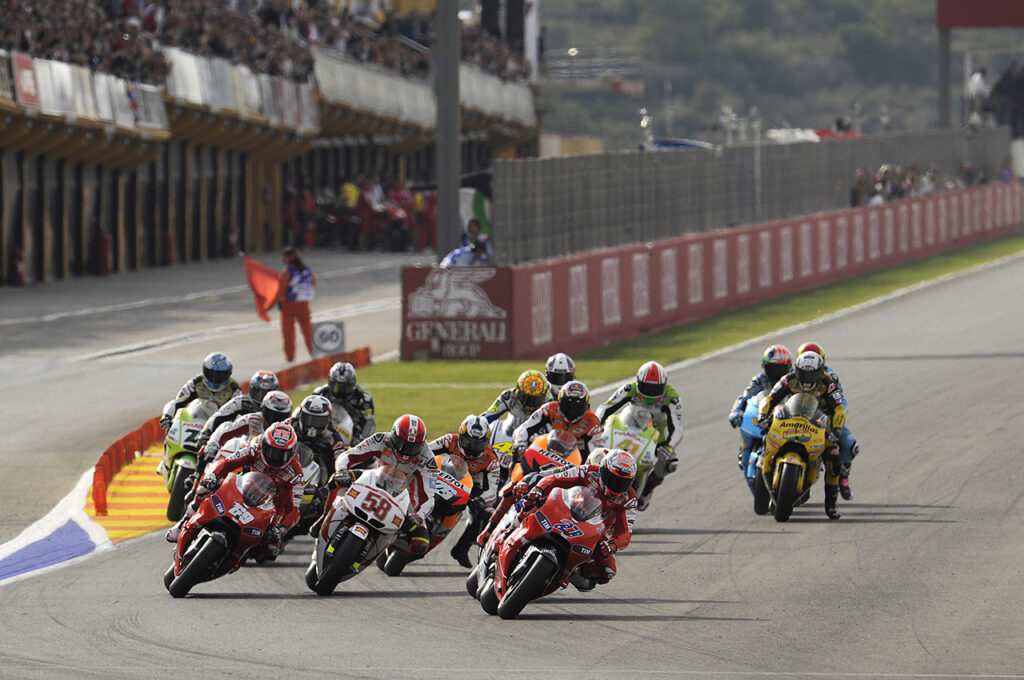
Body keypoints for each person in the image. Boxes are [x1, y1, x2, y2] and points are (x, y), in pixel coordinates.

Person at [483, 449, 637, 591]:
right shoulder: (588, 471)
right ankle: (508, 532)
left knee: (608, 571)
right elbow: (555, 478)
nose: (616, 486)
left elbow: (625, 533)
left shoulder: (629, 499)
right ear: (602, 470)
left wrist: (612, 545)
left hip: (595, 531)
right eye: (612, 479)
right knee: (531, 502)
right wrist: (538, 490)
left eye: (622, 483)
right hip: (566, 509)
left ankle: (570, 571)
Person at [166, 423, 306, 561]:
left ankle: (237, 556)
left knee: (270, 550)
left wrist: (282, 528)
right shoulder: (255, 449)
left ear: (292, 453)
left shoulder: (296, 474)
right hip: (246, 488)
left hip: (272, 508)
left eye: (282, 454)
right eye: (271, 451)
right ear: (263, 444)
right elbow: (227, 463)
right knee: (205, 488)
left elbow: (294, 510)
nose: (275, 458)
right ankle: (184, 522)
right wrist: (214, 475)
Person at [315, 415, 439, 556]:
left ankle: (387, 543)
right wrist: (342, 470)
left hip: (405, 499)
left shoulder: (428, 460)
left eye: (413, 447)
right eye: (401, 444)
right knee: (336, 480)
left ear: (422, 445)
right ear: (393, 436)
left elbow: (429, 496)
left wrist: (418, 516)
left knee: (421, 544)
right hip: (375, 479)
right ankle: (324, 517)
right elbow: (349, 455)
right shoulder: (381, 439)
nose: (405, 452)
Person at [757, 350, 847, 520]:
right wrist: (763, 416)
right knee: (766, 439)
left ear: (820, 371)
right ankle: (765, 467)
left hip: (818, 422)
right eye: (803, 373)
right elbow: (769, 399)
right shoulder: (788, 379)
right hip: (790, 417)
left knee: (834, 458)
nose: (807, 379)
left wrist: (836, 430)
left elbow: (839, 409)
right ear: (797, 370)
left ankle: (831, 504)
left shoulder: (828, 383)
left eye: (812, 375)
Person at [595, 361, 683, 511]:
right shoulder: (630, 388)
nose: (650, 393)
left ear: (664, 386)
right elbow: (605, 407)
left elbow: (677, 428)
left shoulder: (672, 398)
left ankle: (647, 489)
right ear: (638, 382)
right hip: (630, 423)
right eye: (647, 387)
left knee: (669, 461)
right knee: (594, 441)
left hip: (657, 431)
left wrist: (668, 447)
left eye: (655, 389)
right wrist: (596, 425)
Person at [428, 414, 500, 568]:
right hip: (446, 475)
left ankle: (461, 549)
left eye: (478, 444)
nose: (472, 449)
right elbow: (425, 451)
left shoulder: (491, 460)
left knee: (487, 514)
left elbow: (492, 491)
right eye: (469, 442)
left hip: (472, 489)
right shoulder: (449, 440)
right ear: (461, 436)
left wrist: (480, 500)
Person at [795, 342, 859, 502]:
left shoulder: (830, 377)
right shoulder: (792, 375)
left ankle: (843, 478)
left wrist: (836, 419)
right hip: (796, 415)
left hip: (823, 417)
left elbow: (840, 401)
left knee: (850, 445)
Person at [727, 345, 793, 480]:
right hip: (765, 415)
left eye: (779, 368)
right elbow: (745, 396)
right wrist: (736, 410)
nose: (776, 372)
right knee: (746, 426)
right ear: (765, 366)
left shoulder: (793, 378)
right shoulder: (759, 379)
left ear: (788, 366)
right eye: (771, 368)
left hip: (788, 418)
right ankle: (744, 451)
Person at [196, 390, 293, 478]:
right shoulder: (252, 419)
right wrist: (213, 444)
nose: (275, 420)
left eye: (281, 417)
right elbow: (228, 429)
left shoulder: (291, 432)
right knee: (209, 459)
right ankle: (197, 480)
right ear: (264, 410)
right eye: (272, 415)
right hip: (247, 464)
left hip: (276, 472)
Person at [513, 381, 603, 458]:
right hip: (544, 453)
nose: (572, 411)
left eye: (577, 407)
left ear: (586, 407)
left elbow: (594, 453)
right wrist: (520, 444)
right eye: (568, 405)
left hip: (573, 463)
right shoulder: (549, 408)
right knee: (515, 454)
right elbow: (524, 428)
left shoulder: (593, 423)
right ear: (559, 402)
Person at [196, 370, 279, 450]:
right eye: (259, 394)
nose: (262, 399)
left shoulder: (280, 409)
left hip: (266, 447)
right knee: (225, 425)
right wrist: (206, 433)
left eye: (266, 394)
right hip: (236, 443)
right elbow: (218, 416)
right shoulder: (240, 402)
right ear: (251, 390)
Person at [158, 352, 241, 430]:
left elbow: (239, 413)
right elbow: (177, 402)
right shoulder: (196, 383)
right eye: (211, 374)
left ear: (229, 374)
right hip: (195, 424)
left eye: (221, 376)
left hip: (219, 428)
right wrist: (166, 416)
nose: (215, 379)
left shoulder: (234, 388)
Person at [285, 394, 349, 480]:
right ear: (300, 415)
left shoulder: (332, 435)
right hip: (288, 461)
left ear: (328, 419)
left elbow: (340, 457)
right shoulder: (289, 425)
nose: (312, 425)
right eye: (308, 418)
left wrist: (340, 472)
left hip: (315, 465)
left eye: (318, 421)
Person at [312, 361, 376, 443]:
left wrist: (361, 440)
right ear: (330, 382)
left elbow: (369, 423)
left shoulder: (364, 397)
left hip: (352, 437)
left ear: (353, 383)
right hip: (323, 432)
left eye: (345, 387)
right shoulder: (320, 393)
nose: (340, 392)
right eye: (336, 386)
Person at [273, 246, 316, 362]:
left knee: (288, 333)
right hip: (303, 305)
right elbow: (313, 283)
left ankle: (290, 357)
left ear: (287, 258)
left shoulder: (286, 272)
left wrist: (275, 302)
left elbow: (281, 290)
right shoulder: (306, 270)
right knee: (308, 331)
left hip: (288, 306)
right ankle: (314, 352)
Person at [481, 369, 552, 431]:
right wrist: (478, 424)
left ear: (544, 396)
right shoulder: (508, 397)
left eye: (536, 399)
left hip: (539, 438)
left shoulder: (550, 402)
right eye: (526, 398)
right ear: (518, 391)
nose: (530, 403)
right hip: (511, 434)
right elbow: (487, 416)